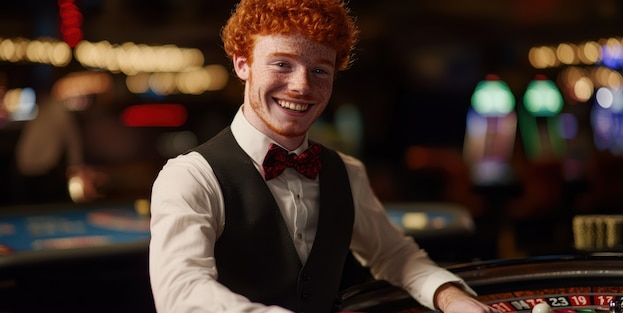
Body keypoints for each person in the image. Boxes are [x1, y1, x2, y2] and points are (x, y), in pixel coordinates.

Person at [149, 0, 500, 312]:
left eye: (319, 70)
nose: (302, 85)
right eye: (282, 64)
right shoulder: (190, 177)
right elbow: (181, 293)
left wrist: (449, 296)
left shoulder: (346, 171)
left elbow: (393, 255)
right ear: (243, 63)